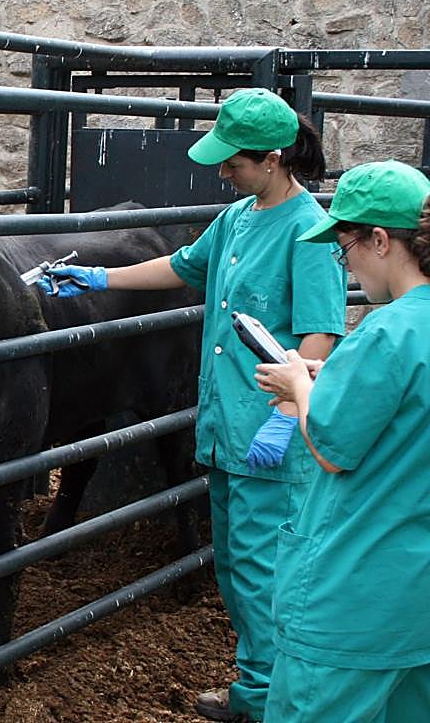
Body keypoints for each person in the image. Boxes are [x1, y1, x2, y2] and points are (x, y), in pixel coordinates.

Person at [38, 88, 347, 722]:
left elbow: (320, 335)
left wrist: (287, 417)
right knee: (236, 566)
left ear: (273, 157)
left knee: (267, 571)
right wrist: (98, 278)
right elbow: (182, 267)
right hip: (226, 426)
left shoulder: (310, 233)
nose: (222, 170)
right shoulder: (237, 219)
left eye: (234, 160)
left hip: (270, 431)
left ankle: (273, 700)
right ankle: (257, 687)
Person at [252, 159, 430, 723]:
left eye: (344, 245)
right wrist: (334, 380)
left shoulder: (386, 329)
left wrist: (298, 386)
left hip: (357, 593)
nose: (344, 260)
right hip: (416, 592)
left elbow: (330, 446)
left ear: (379, 240)